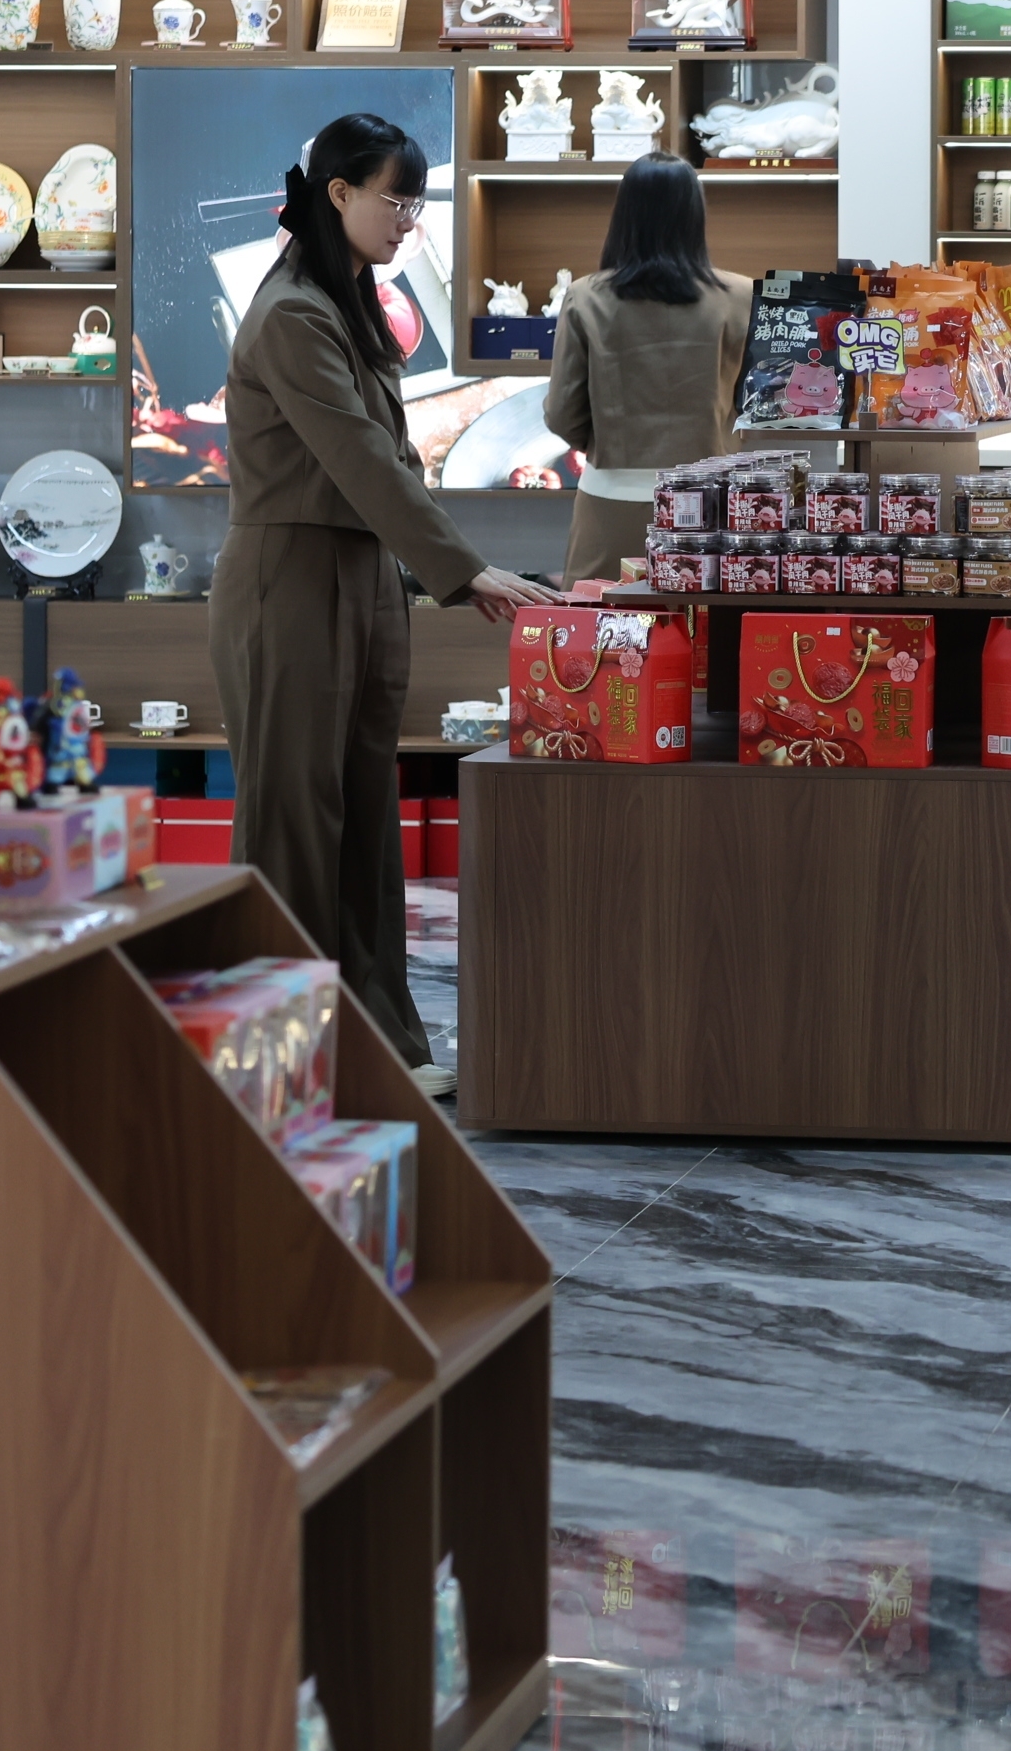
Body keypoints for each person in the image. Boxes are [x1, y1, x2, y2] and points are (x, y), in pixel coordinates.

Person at [214, 112, 558, 1075]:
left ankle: (380, 1047)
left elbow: (390, 458)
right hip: (289, 577)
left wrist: (439, 565)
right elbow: (360, 458)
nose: (411, 221)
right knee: (293, 826)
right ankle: (283, 1058)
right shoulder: (291, 312)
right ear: (339, 194)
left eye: (416, 201)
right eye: (396, 201)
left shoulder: (346, 296)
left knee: (365, 823)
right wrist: (461, 567)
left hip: (361, 572)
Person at [543, 153, 749, 583]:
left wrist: (605, 440)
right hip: (712, 498)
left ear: (625, 213)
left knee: (602, 618)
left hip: (610, 494)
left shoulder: (585, 296)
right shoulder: (742, 295)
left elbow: (562, 413)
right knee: (704, 619)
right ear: (694, 213)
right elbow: (757, 402)